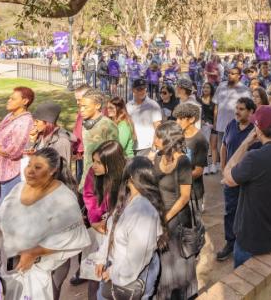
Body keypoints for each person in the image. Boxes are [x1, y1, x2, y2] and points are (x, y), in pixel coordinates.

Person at [0, 147, 90, 300]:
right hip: (15, 267)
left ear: (52, 171)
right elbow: (1, 214)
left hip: (48, 269)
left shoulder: (63, 198)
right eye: (29, 165)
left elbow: (73, 234)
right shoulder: (19, 188)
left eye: (37, 167)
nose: (29, 171)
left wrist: (34, 252)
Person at [222, 105, 271, 268]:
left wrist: (245, 143)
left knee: (242, 287)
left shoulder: (255, 158)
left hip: (251, 240)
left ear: (257, 130)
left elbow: (227, 176)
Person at [94, 157, 164, 300]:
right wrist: (101, 258)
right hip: (119, 267)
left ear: (130, 176)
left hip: (132, 275)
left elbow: (137, 257)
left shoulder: (144, 210)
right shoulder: (127, 198)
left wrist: (113, 272)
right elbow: (111, 233)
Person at [152, 121, 198, 299]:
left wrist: (166, 218)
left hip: (177, 220)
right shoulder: (157, 156)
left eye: (158, 136)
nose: (155, 139)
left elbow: (185, 197)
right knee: (164, 262)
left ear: (169, 140)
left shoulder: (183, 161)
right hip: (161, 216)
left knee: (178, 264)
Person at [81, 140, 126, 299]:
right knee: (94, 272)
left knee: (113, 272)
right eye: (93, 161)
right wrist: (94, 220)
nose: (94, 165)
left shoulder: (126, 176)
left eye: (99, 163)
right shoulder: (93, 174)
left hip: (117, 231)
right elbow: (89, 196)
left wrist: (111, 223)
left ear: (112, 163)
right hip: (97, 228)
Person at [216, 98, 257, 262]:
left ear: (251, 112)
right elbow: (224, 146)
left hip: (247, 181)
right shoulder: (231, 125)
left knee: (247, 212)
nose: (237, 112)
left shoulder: (255, 131)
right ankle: (230, 243)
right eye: (236, 108)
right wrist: (223, 167)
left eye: (241, 109)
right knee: (230, 211)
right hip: (230, 179)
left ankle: (245, 244)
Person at [0, 86, 35, 210]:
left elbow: (15, 151)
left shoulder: (25, 121)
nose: (9, 100)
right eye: (9, 98)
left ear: (25, 101)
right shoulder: (9, 116)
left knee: (5, 207)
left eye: (13, 99)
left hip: (11, 173)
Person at [80, 90, 120, 189]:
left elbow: (115, 156)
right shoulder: (85, 124)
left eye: (85, 106)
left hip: (102, 181)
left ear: (97, 106)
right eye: (80, 106)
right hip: (86, 177)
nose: (81, 110)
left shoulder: (108, 125)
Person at [174, 102, 209, 208]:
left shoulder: (200, 140)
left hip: (193, 195)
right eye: (177, 118)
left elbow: (198, 171)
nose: (177, 122)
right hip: (177, 192)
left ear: (192, 119)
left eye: (181, 118)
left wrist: (177, 179)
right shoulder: (178, 135)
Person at [29, 102, 74, 166]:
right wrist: (32, 142)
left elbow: (63, 170)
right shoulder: (40, 136)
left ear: (47, 123)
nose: (34, 124)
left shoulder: (62, 142)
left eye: (37, 121)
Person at [213, 66, 251, 141]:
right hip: (221, 126)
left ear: (239, 76)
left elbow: (249, 109)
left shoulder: (245, 90)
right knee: (220, 150)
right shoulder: (221, 86)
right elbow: (216, 105)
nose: (229, 75)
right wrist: (215, 121)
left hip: (236, 127)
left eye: (232, 73)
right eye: (228, 73)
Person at [127, 78, 163, 156]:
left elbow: (158, 127)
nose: (142, 91)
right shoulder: (128, 105)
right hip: (132, 147)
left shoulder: (153, 105)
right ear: (133, 90)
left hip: (147, 147)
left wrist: (154, 148)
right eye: (139, 89)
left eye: (144, 89)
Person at [199, 82, 219, 174]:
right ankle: (206, 165)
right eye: (204, 87)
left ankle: (214, 165)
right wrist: (202, 122)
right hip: (203, 125)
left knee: (214, 146)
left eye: (207, 87)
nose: (205, 89)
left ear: (211, 89)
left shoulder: (214, 100)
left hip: (214, 125)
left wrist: (215, 124)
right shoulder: (199, 100)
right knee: (205, 146)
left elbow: (216, 113)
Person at [72, 85, 90, 185]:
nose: (77, 102)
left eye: (79, 99)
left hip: (86, 154)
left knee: (85, 181)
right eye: (76, 100)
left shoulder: (91, 114)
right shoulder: (81, 111)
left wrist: (81, 150)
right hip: (79, 152)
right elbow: (77, 131)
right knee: (79, 178)